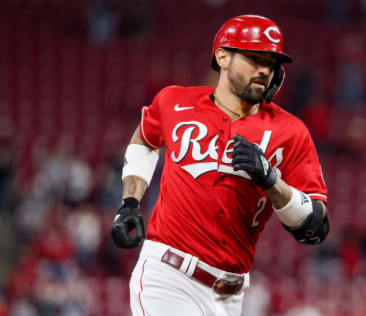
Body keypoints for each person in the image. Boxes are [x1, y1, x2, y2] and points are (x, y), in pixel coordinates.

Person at [111, 15, 330, 316]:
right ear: (223, 57)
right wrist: (130, 202)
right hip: (168, 276)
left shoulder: (291, 132)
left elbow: (315, 227)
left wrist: (272, 181)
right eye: (255, 58)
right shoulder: (175, 102)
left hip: (230, 295)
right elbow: (146, 138)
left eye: (272, 62)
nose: (265, 69)